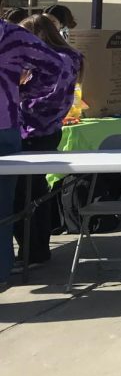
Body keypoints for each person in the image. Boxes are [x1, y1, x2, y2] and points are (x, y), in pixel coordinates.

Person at [0, 20, 66, 287]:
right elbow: (54, 66)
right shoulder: (14, 35)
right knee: (3, 207)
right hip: (5, 124)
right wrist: (22, 91)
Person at [15, 14, 83, 266]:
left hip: (32, 131)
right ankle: (36, 248)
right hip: (48, 129)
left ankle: (32, 250)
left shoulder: (51, 63)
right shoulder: (70, 58)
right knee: (35, 192)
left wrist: (16, 91)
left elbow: (40, 97)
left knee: (24, 195)